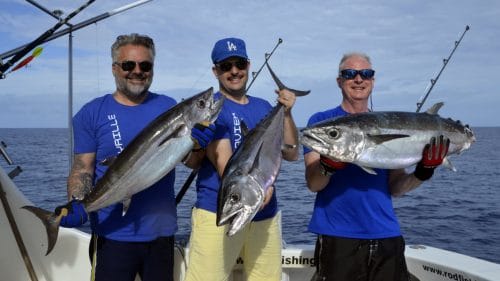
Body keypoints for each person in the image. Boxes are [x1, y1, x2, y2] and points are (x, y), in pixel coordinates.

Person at [58, 33, 215, 281]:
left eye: (145, 65)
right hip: (112, 236)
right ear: (114, 68)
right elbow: (82, 168)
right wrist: (78, 202)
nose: (137, 71)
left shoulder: (168, 105)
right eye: (129, 65)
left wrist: (197, 145)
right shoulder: (91, 113)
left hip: (160, 234)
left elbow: (192, 163)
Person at [303, 52, 450, 281]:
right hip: (338, 237)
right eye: (350, 74)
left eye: (366, 74)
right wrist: (327, 166)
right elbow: (314, 183)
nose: (358, 79)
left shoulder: (387, 122)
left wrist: (423, 172)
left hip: (386, 235)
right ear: (339, 81)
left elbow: (396, 188)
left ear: (372, 80)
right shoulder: (321, 123)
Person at [184, 37, 300, 281]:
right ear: (216, 71)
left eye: (239, 64)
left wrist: (286, 113)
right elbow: (222, 159)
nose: (234, 71)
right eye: (226, 66)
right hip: (219, 212)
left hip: (265, 216)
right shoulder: (212, 108)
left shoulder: (265, 107)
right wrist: (256, 189)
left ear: (248, 65)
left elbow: (291, 153)